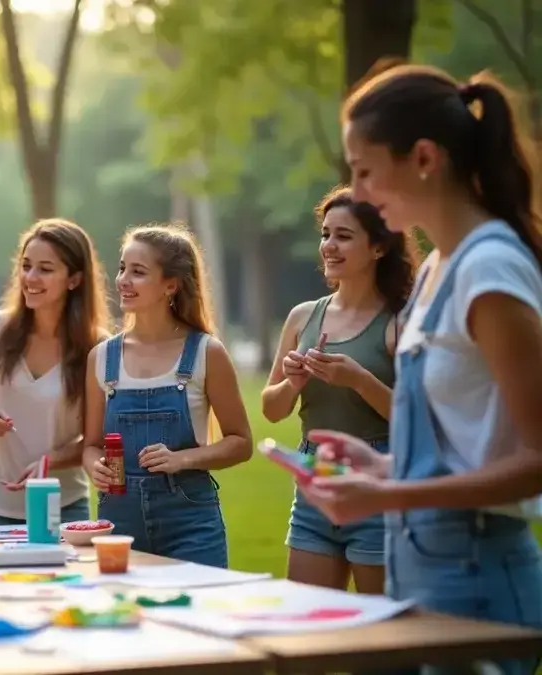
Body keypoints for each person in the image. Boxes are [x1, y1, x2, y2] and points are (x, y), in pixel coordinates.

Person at [301, 65, 542, 675]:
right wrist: (381, 464)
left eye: (363, 170)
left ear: (425, 157)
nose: (356, 191)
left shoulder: (491, 271)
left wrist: (388, 492)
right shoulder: (438, 267)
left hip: (478, 580)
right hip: (423, 575)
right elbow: (466, 443)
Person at [260, 186, 416, 594]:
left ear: (379, 247)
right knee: (307, 630)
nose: (329, 246)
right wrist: (292, 384)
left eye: (343, 236)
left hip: (376, 481)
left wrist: (359, 380)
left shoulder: (400, 322)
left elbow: (416, 420)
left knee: (381, 638)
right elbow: (272, 410)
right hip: (313, 483)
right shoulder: (303, 316)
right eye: (326, 234)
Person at [82, 223, 252, 568]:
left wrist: (183, 459)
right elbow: (90, 445)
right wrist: (94, 467)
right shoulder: (101, 357)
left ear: (170, 285)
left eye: (138, 272)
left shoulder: (206, 352)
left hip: (191, 525)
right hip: (118, 524)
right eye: (122, 268)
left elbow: (241, 442)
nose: (123, 281)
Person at [0, 219, 110, 526]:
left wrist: (48, 463)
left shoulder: (98, 346)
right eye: (26, 266)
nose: (30, 277)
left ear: (74, 279)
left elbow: (97, 438)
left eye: (45, 268)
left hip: (62, 503)